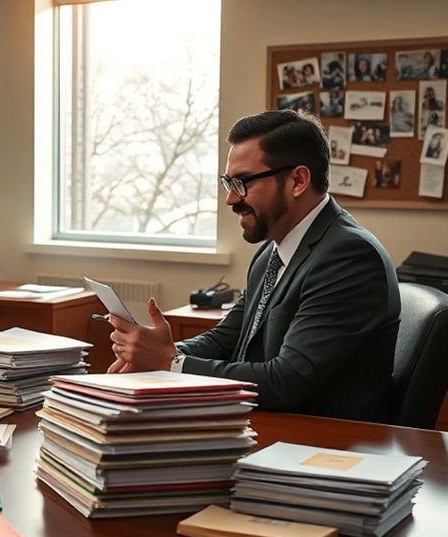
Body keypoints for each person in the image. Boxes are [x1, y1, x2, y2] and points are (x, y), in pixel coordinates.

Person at [106, 110, 400, 424]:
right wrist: (157, 351)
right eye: (228, 183)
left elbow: (289, 381)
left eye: (243, 182)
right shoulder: (272, 252)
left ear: (298, 181)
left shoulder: (348, 257)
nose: (231, 199)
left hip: (325, 445)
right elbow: (226, 341)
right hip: (270, 427)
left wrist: (171, 362)